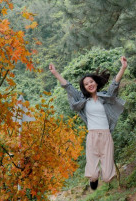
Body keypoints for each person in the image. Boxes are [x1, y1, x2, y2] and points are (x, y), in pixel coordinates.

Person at [49, 57, 128, 191]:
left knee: (108, 176)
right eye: (86, 84)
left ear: (96, 83)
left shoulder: (105, 98)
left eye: (91, 82)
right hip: (92, 136)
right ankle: (93, 179)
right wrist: (55, 73)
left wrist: (123, 67)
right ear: (84, 88)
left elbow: (114, 85)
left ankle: (102, 177)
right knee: (92, 173)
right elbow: (68, 87)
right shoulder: (83, 100)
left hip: (106, 136)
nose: (89, 85)